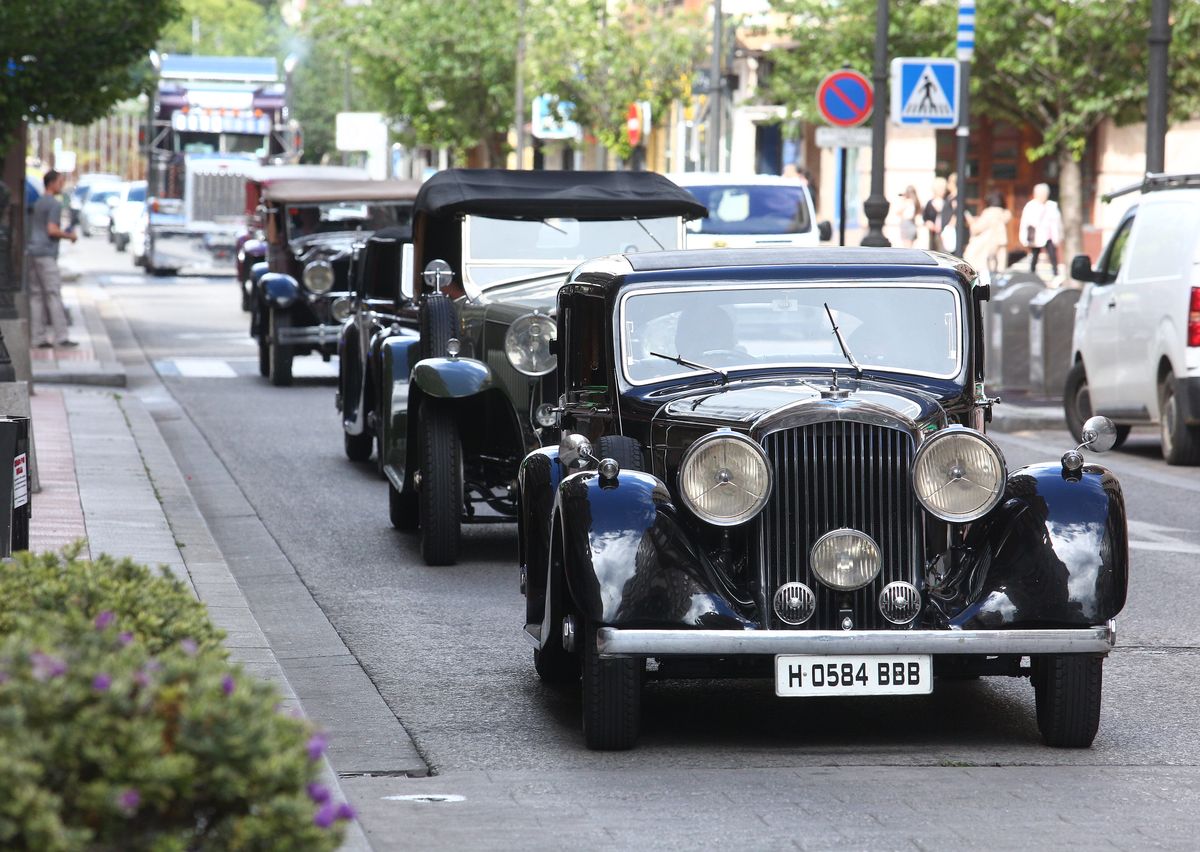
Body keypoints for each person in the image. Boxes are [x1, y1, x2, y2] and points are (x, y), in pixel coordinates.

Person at [27, 170, 79, 349]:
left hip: (33, 250)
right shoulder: (54, 204)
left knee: (36, 296)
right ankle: (61, 336)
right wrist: (69, 236)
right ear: (51, 184)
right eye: (60, 182)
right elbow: (52, 229)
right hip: (46, 254)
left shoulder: (38, 202)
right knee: (53, 293)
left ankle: (37, 337)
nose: (62, 186)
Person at [964, 191, 1013, 285]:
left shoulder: (989, 213)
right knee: (992, 267)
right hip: (996, 244)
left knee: (981, 269)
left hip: (984, 245)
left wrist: (971, 222)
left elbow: (976, 228)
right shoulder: (1003, 214)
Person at [1020, 183, 1063, 278]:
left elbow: (1057, 222)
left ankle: (1055, 273)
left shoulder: (1052, 205)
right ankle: (1031, 274)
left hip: (1049, 236)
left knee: (1053, 255)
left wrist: (1059, 235)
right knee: (1035, 255)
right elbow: (1025, 223)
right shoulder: (1031, 206)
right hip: (1036, 236)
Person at [922, 177, 947, 252]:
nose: (943, 191)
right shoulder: (930, 203)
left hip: (944, 233)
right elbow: (925, 217)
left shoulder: (946, 202)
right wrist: (928, 223)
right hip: (933, 233)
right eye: (941, 188)